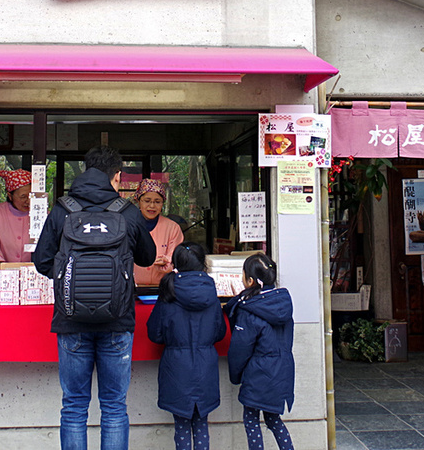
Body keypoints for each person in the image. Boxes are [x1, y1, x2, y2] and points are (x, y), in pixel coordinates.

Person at [33, 146, 156, 450]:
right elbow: (148, 257)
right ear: (116, 176)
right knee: (114, 407)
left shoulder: (64, 209)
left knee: (74, 406)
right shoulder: (126, 211)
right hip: (117, 320)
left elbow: (42, 260)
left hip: (71, 320)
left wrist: (68, 278)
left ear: (84, 171)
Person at [146, 242, 226, 450]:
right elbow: (220, 332)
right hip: (205, 366)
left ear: (176, 264)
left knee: (181, 427)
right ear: (203, 264)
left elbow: (155, 333)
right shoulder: (212, 294)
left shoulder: (168, 294)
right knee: (201, 425)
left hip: (176, 369)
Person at [225, 253, 295, 450]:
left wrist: (235, 376)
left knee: (251, 419)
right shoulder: (282, 302)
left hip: (259, 373)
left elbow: (240, 349)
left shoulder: (250, 309)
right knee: (273, 419)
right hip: (282, 370)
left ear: (250, 280)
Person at [132, 178, 185, 287]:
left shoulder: (173, 228)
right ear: (138, 201)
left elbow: (176, 259)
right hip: (133, 287)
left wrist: (167, 262)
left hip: (164, 288)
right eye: (147, 201)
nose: (152, 206)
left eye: (157, 202)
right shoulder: (129, 225)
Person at [0, 168, 33, 273]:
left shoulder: (42, 214)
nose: (28, 201)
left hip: (32, 277)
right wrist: (2, 268)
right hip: (0, 276)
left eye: (31, 195)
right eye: (23, 197)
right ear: (10, 196)